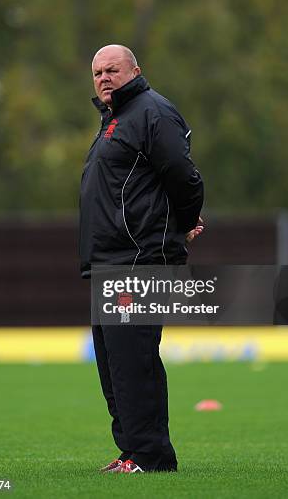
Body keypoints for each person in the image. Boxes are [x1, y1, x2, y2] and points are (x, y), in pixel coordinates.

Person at [79, 44, 204, 474]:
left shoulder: (152, 111)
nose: (104, 78)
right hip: (110, 262)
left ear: (135, 70)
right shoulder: (115, 119)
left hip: (139, 260)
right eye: (97, 72)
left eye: (113, 69)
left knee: (135, 364)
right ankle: (132, 453)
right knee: (115, 369)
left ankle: (151, 458)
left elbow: (184, 176)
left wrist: (183, 223)